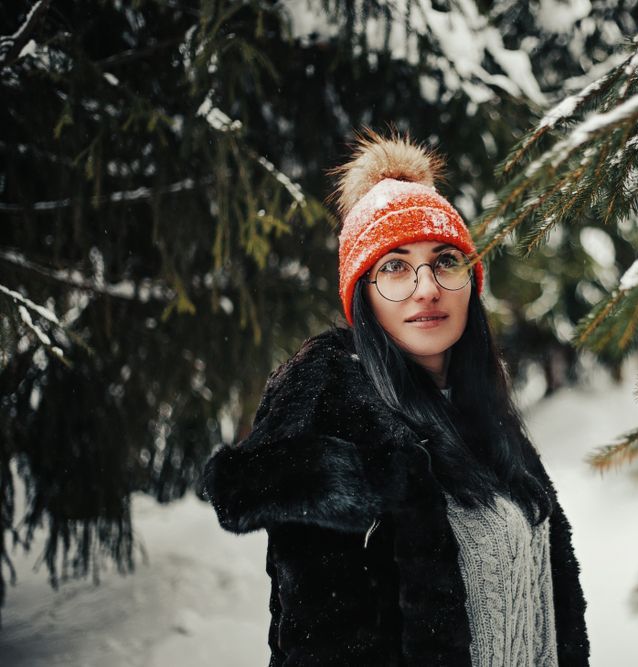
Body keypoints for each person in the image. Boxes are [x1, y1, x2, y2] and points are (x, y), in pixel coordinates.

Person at [199, 131, 590, 666]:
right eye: (394, 267)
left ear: (470, 284)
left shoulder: (483, 419)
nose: (426, 287)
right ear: (363, 298)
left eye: (445, 260)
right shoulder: (344, 441)